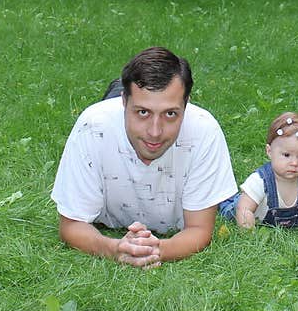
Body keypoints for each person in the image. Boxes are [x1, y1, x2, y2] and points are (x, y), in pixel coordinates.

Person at [51, 46, 238, 269]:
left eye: (170, 114)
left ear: (186, 104)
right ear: (124, 102)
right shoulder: (92, 126)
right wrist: (114, 249)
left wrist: (155, 251)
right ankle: (117, 90)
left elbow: (199, 229)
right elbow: (71, 225)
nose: (155, 131)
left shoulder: (205, 131)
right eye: (143, 112)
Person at [219, 112, 298, 236]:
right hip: (247, 210)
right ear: (269, 151)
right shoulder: (260, 181)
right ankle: (220, 198)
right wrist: (249, 236)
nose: (294, 163)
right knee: (230, 206)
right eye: (286, 155)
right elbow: (245, 209)